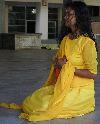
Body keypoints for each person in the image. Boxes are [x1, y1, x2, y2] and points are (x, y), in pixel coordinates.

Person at [0, 1, 98, 122]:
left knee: (43, 106)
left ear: (79, 17)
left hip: (79, 91)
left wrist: (67, 66)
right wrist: (57, 62)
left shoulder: (87, 43)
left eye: (69, 14)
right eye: (66, 14)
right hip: (62, 86)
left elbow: (93, 74)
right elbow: (58, 60)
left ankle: (84, 104)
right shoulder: (66, 39)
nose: (65, 17)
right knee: (32, 99)